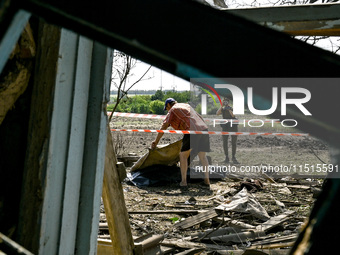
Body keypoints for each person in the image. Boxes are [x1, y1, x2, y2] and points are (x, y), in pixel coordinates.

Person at [151, 98, 211, 187]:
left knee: (183, 155)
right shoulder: (186, 105)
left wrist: (156, 141)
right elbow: (199, 117)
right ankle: (207, 181)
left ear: (168, 105)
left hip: (192, 130)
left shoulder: (173, 109)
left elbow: (164, 125)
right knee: (202, 156)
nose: (167, 110)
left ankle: (183, 182)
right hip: (204, 129)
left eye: (166, 108)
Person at [216, 97, 239, 164]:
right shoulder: (223, 109)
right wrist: (221, 106)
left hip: (233, 127)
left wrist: (229, 109)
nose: (225, 102)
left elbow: (233, 115)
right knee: (225, 142)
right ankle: (226, 157)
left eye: (226, 101)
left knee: (233, 142)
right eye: (224, 101)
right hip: (225, 126)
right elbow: (217, 113)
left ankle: (233, 157)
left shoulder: (232, 108)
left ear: (228, 102)